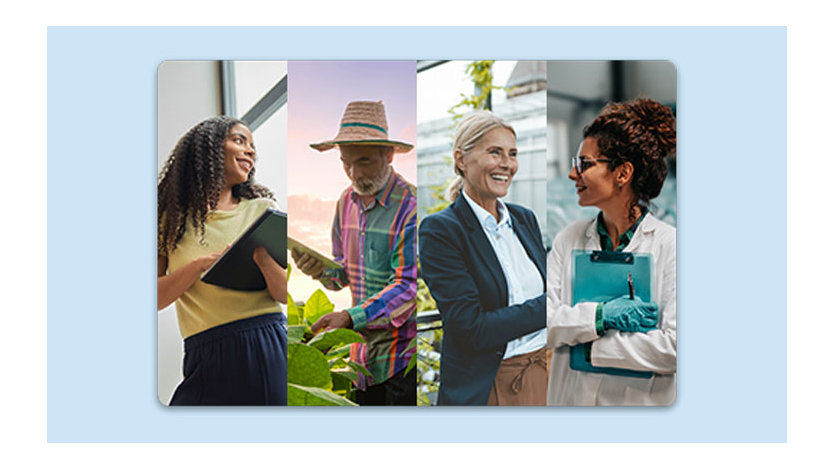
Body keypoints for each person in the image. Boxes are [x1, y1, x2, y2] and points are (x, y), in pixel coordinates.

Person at [546, 98, 676, 406]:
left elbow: (673, 346)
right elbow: (544, 323)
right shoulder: (569, 239)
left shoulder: (671, 246)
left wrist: (587, 347)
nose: (572, 175)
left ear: (622, 173)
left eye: (584, 164)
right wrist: (602, 317)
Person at [292, 100, 417, 406]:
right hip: (361, 359)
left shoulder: (412, 206)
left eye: (363, 161)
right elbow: (342, 277)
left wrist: (350, 317)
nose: (353, 173)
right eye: (345, 162)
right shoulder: (345, 202)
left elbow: (408, 286)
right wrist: (319, 270)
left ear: (388, 155)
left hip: (400, 359)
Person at [419, 111, 547, 406]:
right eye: (495, 152)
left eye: (512, 154)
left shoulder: (524, 219)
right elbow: (471, 328)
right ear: (461, 159)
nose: (507, 164)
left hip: (543, 369)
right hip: (491, 385)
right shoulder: (441, 230)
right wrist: (549, 306)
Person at [157, 116, 287, 406]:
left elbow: (283, 294)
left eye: (253, 146)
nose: (250, 151)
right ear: (208, 150)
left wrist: (264, 258)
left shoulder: (263, 210)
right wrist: (199, 266)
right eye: (239, 140)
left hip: (264, 340)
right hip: (203, 349)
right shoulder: (169, 221)